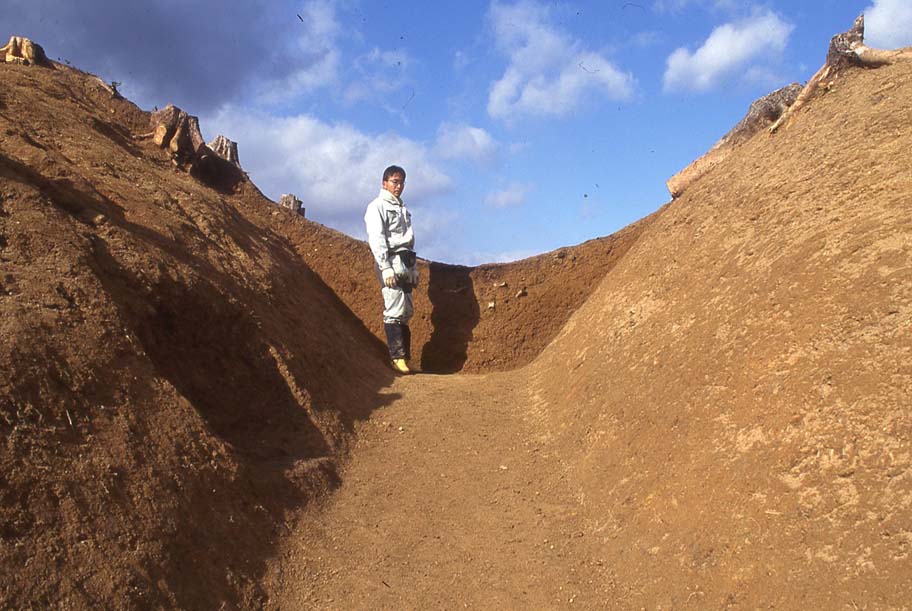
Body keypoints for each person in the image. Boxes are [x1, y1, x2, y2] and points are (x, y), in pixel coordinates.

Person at [364, 165, 419, 374]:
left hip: (405, 259)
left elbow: (407, 241)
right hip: (391, 260)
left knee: (406, 309)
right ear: (384, 183)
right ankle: (397, 357)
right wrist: (385, 266)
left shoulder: (402, 208)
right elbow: (377, 239)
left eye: (402, 182)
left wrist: (412, 267)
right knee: (394, 306)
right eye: (395, 181)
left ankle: (405, 356)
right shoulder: (377, 207)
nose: (399, 186)